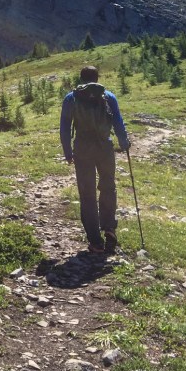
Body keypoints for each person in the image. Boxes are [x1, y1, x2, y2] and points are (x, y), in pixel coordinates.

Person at [60, 65, 130, 254]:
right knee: (108, 186)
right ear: (97, 78)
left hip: (82, 148)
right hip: (105, 147)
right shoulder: (108, 96)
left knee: (87, 194)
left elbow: (65, 126)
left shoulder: (71, 98)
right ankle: (109, 227)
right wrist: (124, 142)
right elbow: (118, 121)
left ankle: (95, 242)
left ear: (81, 78)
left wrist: (67, 151)